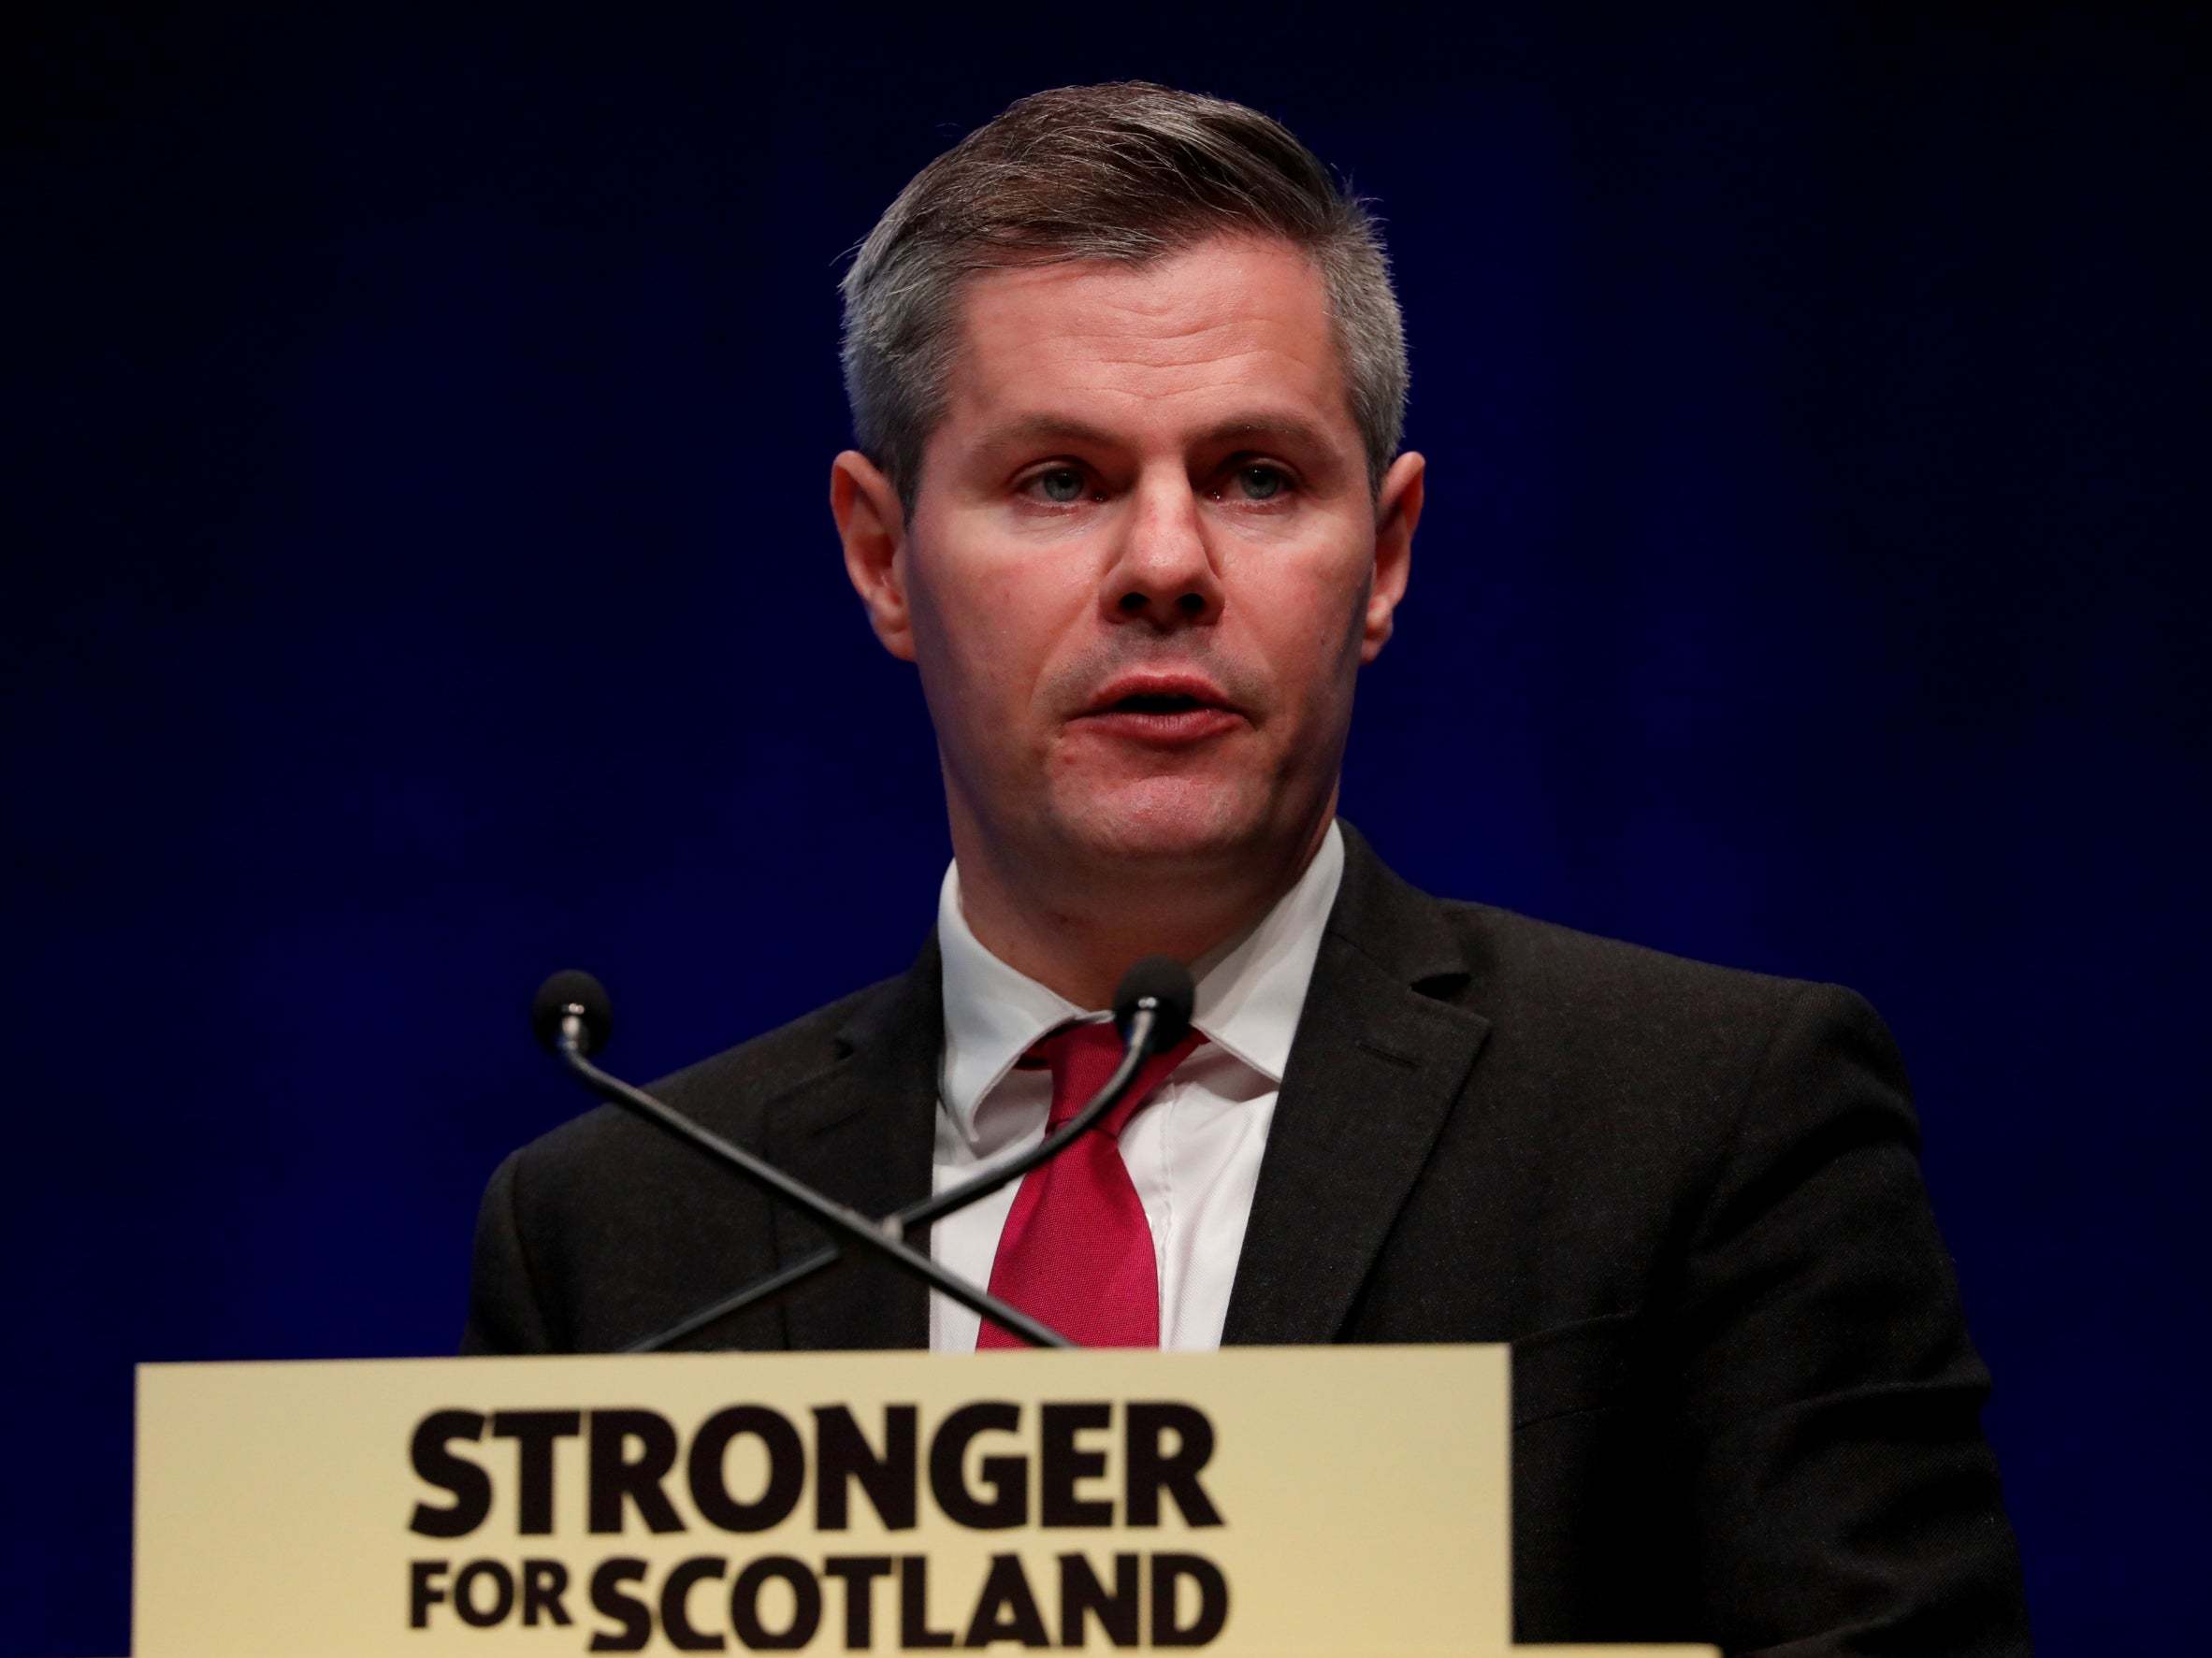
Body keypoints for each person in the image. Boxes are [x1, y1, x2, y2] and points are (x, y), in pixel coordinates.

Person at [465, 82, 2031, 1651]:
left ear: (1388, 551)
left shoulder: (1713, 1122)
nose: (1163, 565)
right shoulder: (620, 1231)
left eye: (1255, 477)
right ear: (880, 553)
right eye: (1059, 481)